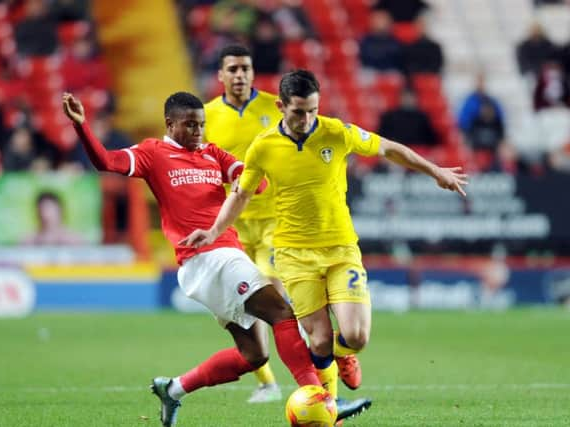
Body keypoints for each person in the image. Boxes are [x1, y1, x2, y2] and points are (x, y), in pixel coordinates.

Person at [62, 91, 369, 426]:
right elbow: (106, 162)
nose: (198, 132)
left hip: (223, 256)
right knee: (281, 311)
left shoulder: (212, 153)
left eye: (202, 125)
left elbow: (258, 182)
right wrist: (81, 127)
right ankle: (323, 399)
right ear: (170, 124)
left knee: (255, 355)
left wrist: (243, 178)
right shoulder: (153, 152)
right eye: (190, 125)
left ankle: (174, 388)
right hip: (205, 257)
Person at [182, 70, 468, 408]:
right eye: (298, 111)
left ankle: (344, 355)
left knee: (357, 337)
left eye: (313, 110)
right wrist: (215, 230)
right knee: (318, 343)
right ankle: (326, 406)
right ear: (280, 106)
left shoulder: (337, 132)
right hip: (293, 254)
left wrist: (436, 171)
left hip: (340, 249)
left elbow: (388, 148)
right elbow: (241, 195)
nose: (307, 119)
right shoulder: (263, 146)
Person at [204, 44, 284, 403]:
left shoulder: (275, 108)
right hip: (231, 226)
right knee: (237, 307)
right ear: (220, 75)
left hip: (274, 220)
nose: (239, 75)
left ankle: (313, 375)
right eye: (232, 69)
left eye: (245, 68)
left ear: (253, 72)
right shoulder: (205, 116)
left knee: (272, 291)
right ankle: (267, 381)